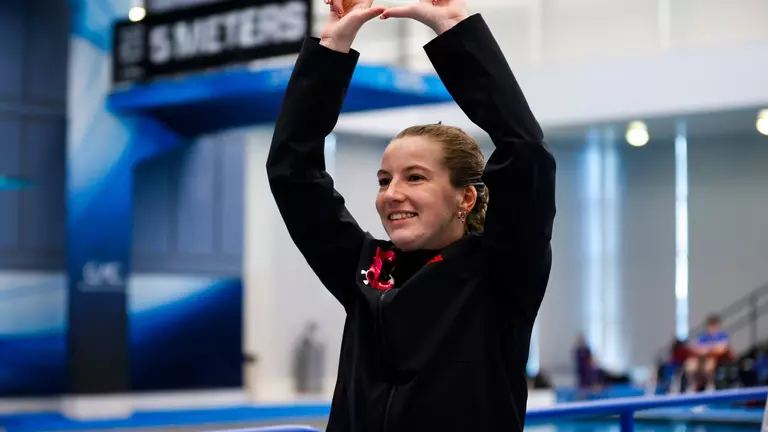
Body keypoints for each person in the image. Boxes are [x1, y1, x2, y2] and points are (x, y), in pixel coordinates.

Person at [266, 0, 556, 430]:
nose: (392, 194)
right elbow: (292, 172)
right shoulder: (365, 269)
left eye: (415, 178)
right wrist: (331, 47)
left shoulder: (501, 273)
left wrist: (455, 29)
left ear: (467, 199)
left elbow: (525, 151)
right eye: (384, 180)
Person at [684, 315, 731, 392]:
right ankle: (692, 385)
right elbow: (696, 347)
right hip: (701, 359)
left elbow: (722, 349)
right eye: (710, 325)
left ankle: (710, 385)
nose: (711, 327)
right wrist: (704, 350)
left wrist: (708, 350)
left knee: (709, 364)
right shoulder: (703, 336)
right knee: (690, 364)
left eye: (714, 325)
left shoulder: (722, 335)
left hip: (717, 360)